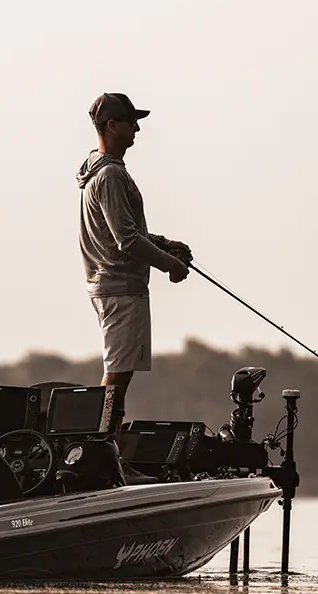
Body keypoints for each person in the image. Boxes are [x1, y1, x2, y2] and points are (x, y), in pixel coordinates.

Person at [76, 92, 192, 438]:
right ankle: (101, 444)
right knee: (117, 374)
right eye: (131, 122)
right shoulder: (109, 175)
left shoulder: (103, 171)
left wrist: (163, 243)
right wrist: (170, 265)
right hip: (119, 287)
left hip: (116, 286)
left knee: (121, 373)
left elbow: (123, 231)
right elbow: (126, 240)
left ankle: (106, 442)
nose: (137, 129)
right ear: (112, 126)